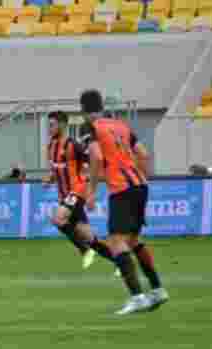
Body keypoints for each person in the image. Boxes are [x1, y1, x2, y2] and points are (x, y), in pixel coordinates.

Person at [80, 89, 169, 315]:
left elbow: (96, 156)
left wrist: (91, 191)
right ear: (101, 106)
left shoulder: (89, 127)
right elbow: (143, 154)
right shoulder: (120, 125)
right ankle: (157, 289)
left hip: (121, 189)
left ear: (83, 110)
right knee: (133, 240)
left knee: (116, 241)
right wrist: (140, 178)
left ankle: (137, 297)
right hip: (140, 185)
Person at [42, 110, 114, 270]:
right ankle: (121, 262)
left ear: (62, 125)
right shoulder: (51, 146)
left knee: (57, 219)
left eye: (52, 125)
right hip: (64, 196)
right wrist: (49, 178)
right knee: (90, 238)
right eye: (49, 125)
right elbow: (56, 170)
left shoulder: (73, 145)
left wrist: (92, 184)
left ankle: (85, 251)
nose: (49, 128)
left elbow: (94, 162)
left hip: (76, 191)